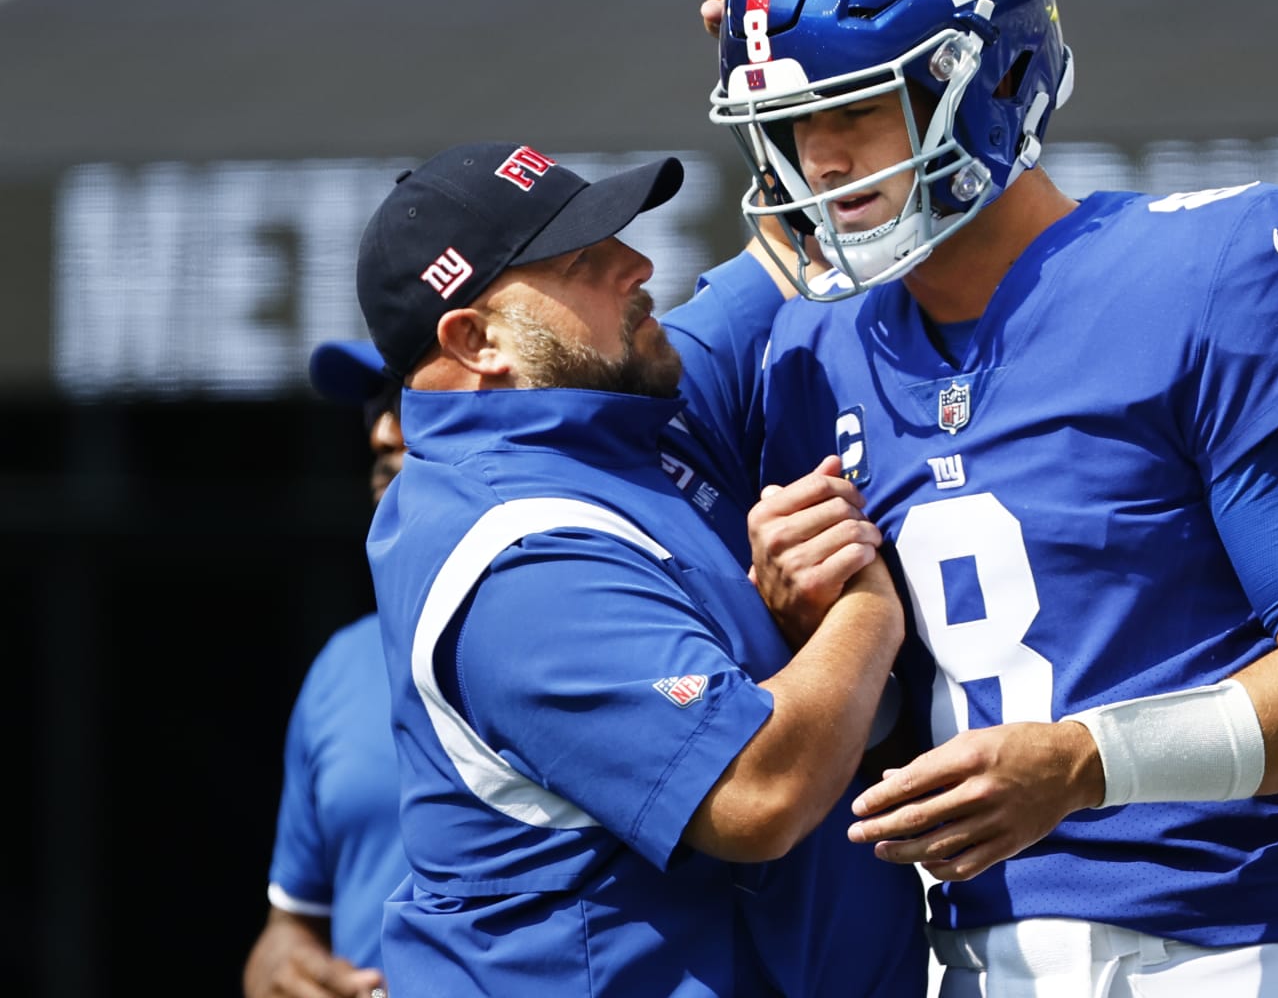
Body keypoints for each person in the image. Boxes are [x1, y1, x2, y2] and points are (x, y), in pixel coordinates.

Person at [707, 0, 1278, 996]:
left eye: (852, 108)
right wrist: (819, 626)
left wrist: (1086, 764)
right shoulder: (810, 355)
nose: (819, 161)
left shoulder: (1215, 271)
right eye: (790, 122)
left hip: (1223, 950)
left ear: (994, 75)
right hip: (972, 963)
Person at [353, 141, 925, 996]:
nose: (639, 263)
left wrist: (792, 89)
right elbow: (757, 794)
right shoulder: (514, 554)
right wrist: (865, 607)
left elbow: (791, 242)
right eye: (581, 261)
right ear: (476, 340)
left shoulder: (613, 410)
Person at [242, 339, 405, 998]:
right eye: (377, 405)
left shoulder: (602, 640)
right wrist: (286, 972)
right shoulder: (346, 664)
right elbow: (289, 930)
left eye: (413, 395)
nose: (384, 427)